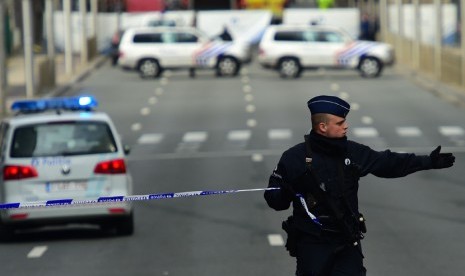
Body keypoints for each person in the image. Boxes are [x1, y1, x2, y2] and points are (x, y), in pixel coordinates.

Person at [264, 95, 455, 276]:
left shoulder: (351, 152)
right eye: (339, 123)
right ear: (322, 126)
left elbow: (387, 163)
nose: (346, 127)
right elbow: (275, 201)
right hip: (313, 246)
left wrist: (428, 162)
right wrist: (289, 188)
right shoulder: (294, 158)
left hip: (346, 242)